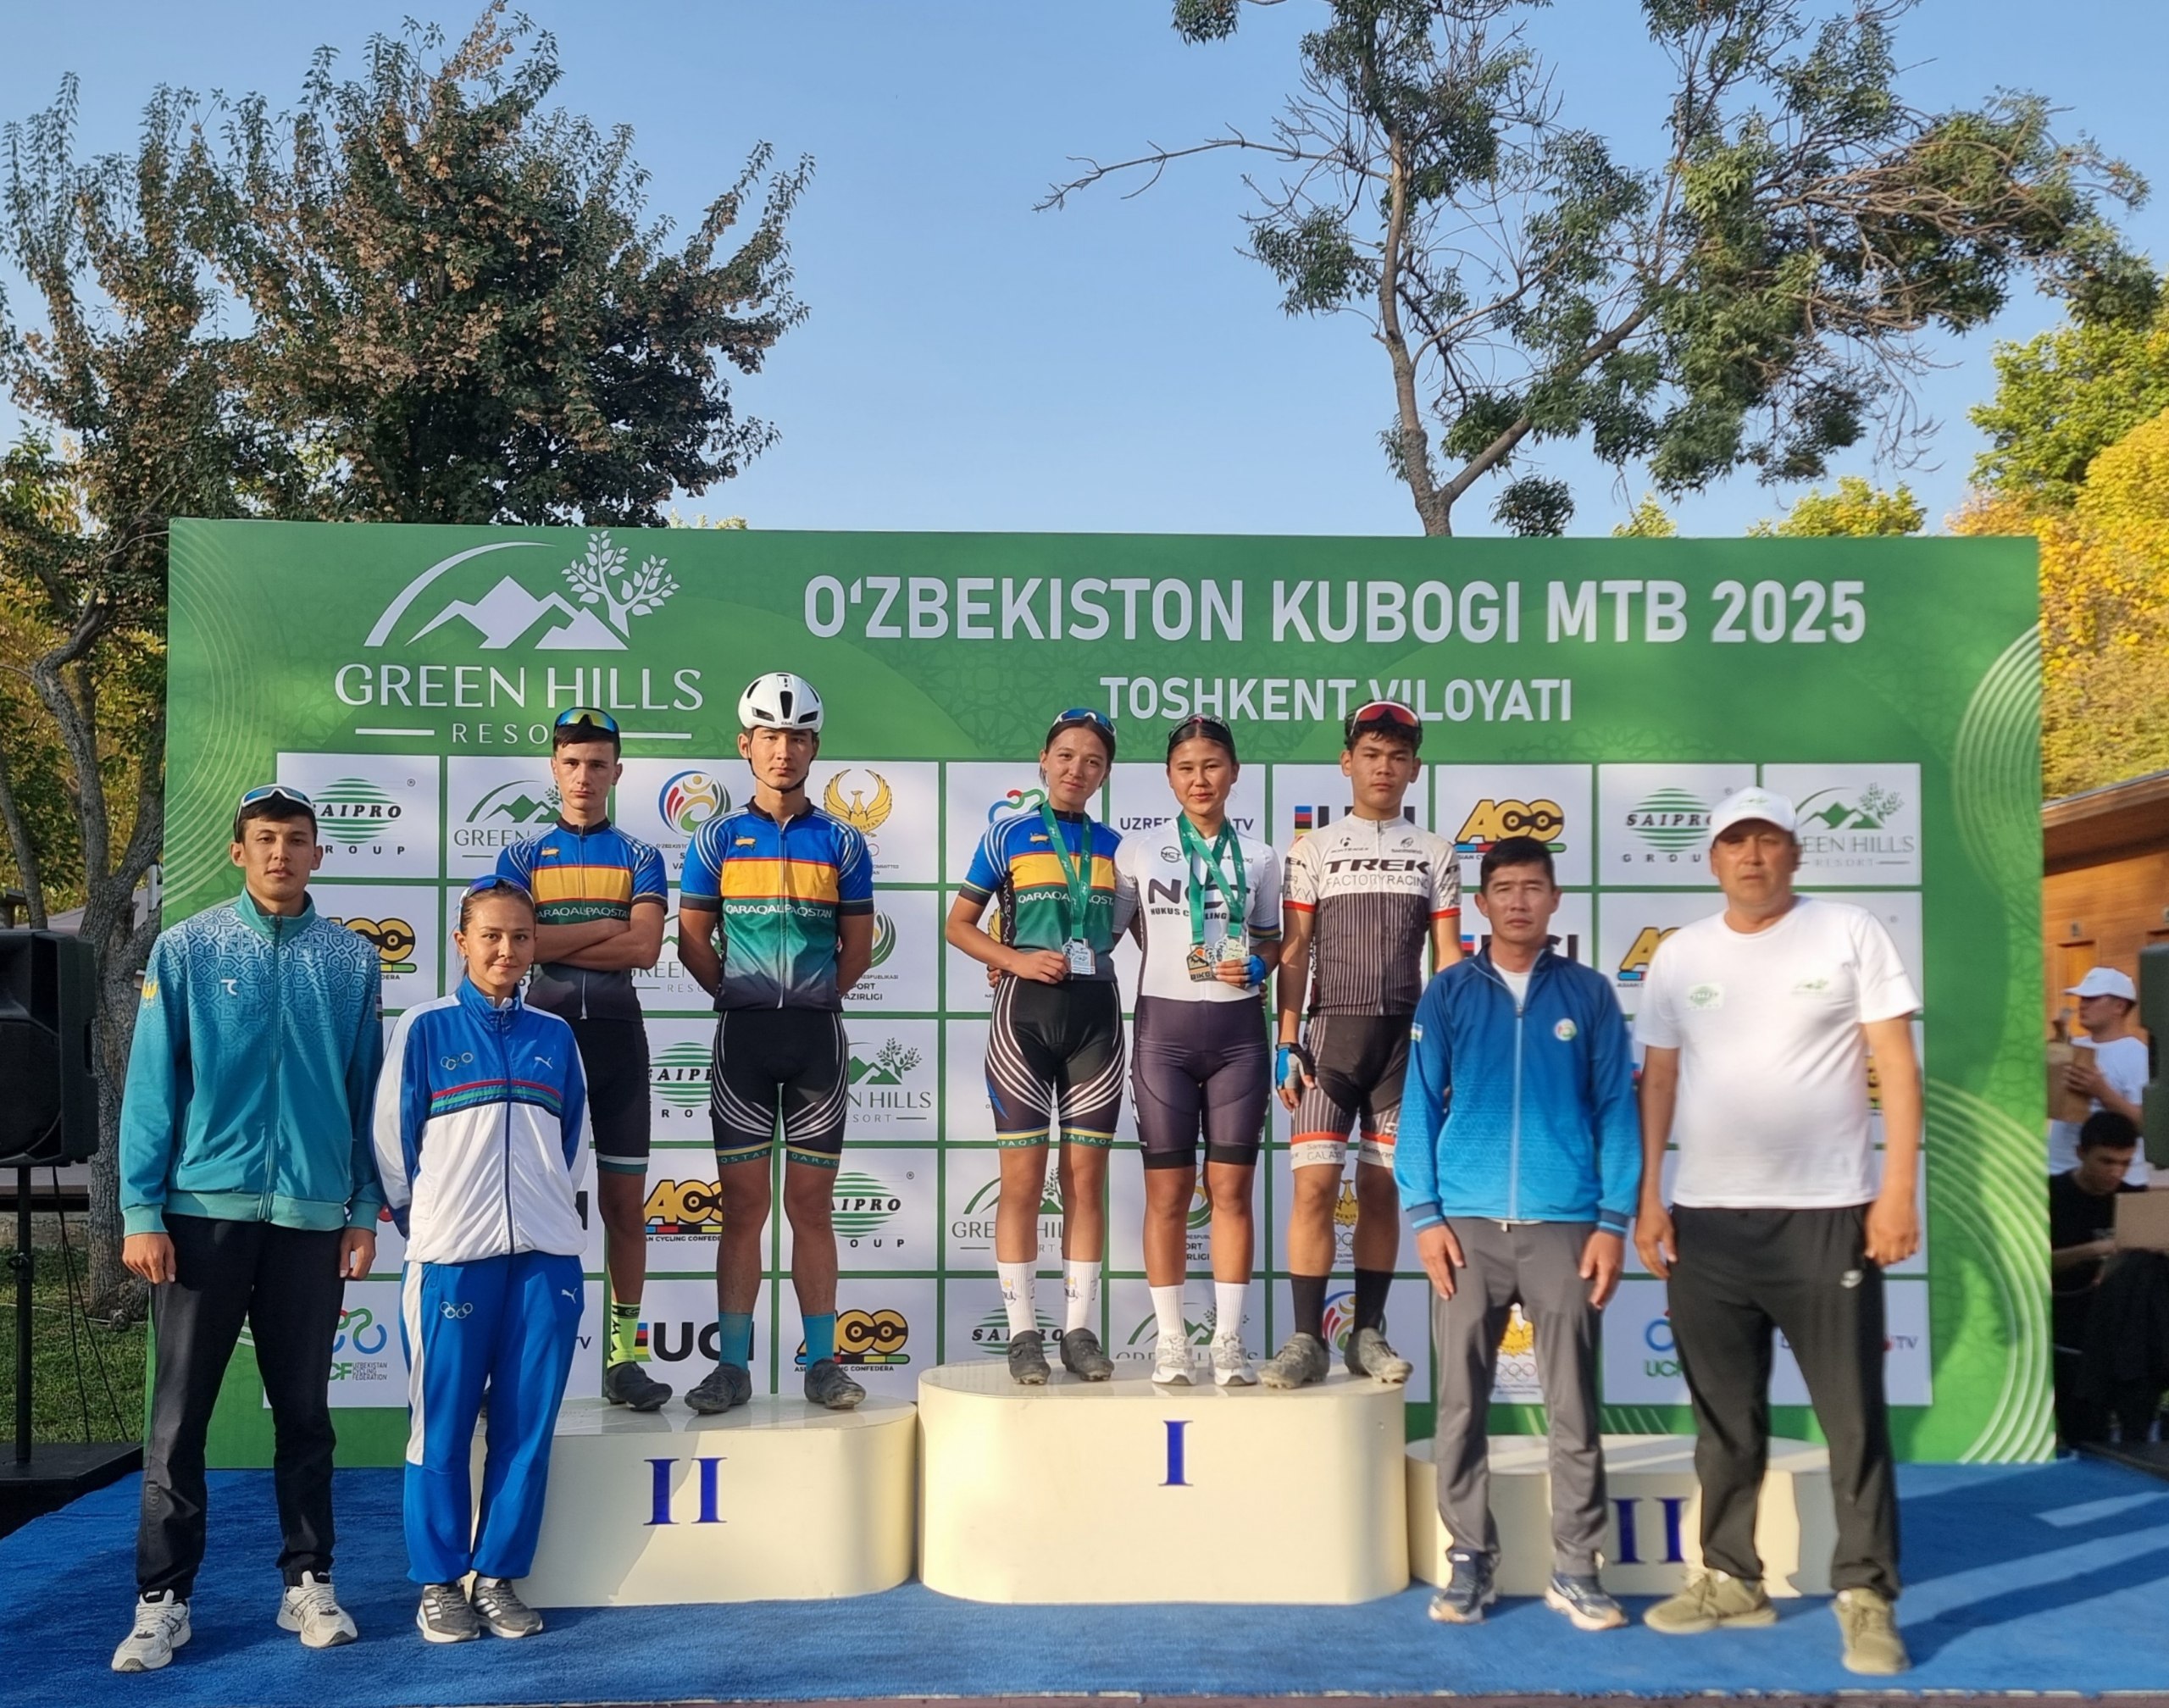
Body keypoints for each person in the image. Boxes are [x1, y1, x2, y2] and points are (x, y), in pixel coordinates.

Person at [1634, 785, 1921, 1678]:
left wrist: (1896, 1193)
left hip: (1829, 1216)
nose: (1751, 857)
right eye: (1735, 843)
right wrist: (1649, 1198)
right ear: (1712, 859)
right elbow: (1658, 1082)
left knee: (1851, 1420)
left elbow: (1895, 1065)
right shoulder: (1681, 954)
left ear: (1794, 853)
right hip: (1707, 1222)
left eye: (1767, 842)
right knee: (1724, 1421)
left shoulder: (1848, 932)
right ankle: (1730, 1577)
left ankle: (1866, 1595)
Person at [112, 785, 383, 1672]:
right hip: (200, 1219)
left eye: (295, 840)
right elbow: (151, 1085)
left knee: (305, 1415)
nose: (279, 853)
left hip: (311, 1221)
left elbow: (364, 1092)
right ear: (238, 851)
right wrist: (142, 1210)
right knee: (178, 1420)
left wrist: (361, 1208)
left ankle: (308, 1582)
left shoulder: (350, 960)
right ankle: (162, 1600)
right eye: (264, 839)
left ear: (318, 855)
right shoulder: (187, 947)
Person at [1397, 835, 1639, 1631]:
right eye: (1504, 889)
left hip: (1565, 1225)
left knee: (1573, 1406)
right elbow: (1419, 1106)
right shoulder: (1449, 993)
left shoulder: (1589, 994)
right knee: (1460, 1406)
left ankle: (1577, 1567)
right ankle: (1470, 1559)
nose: (1519, 902)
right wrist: (1425, 1216)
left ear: (1555, 898)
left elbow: (1617, 1107)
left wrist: (1613, 1220)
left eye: (1533, 887)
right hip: (1466, 1228)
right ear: (1482, 903)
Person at [374, 877, 589, 1643]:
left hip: (545, 1261)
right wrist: (430, 1226)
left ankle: (496, 1576)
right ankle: (438, 1582)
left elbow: (573, 1146)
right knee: (440, 1428)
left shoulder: (555, 1036)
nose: (506, 950)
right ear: (461, 941)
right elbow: (392, 1145)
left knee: (526, 1429)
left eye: (520, 937)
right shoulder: (425, 1027)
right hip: (450, 1260)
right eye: (491, 936)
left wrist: (548, 1218)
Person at [677, 672, 875, 1412]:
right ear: (746, 745)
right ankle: (732, 1366)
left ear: (814, 748)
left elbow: (858, 949)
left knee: (812, 1209)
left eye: (796, 738)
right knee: (743, 1209)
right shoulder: (716, 837)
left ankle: (822, 1364)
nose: (782, 751)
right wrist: (740, 993)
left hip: (817, 1041)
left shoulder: (843, 841)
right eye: (769, 737)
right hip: (745, 1041)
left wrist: (813, 997)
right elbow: (692, 939)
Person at [1266, 698, 1461, 1390]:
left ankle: (1367, 1333)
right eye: (1371, 755)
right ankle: (1304, 1339)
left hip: (1402, 1047)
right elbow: (1294, 953)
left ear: (1415, 769)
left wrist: (1450, 1048)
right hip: (1328, 1041)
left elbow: (1448, 957)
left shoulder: (1435, 852)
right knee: (1314, 1188)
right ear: (1346, 762)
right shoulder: (1312, 849)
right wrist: (1286, 1041)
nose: (1384, 768)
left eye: (1398, 757)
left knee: (1381, 1190)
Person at [495, 706, 669, 1411]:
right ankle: (514, 1359)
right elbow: (517, 946)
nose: (584, 777)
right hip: (543, 1043)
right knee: (530, 1202)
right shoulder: (522, 858)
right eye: (571, 763)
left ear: (617, 773)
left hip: (618, 1040)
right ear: (554, 769)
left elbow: (645, 948)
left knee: (625, 1206)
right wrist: (605, 923)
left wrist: (554, 935)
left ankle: (624, 1360)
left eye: (597, 764)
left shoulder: (642, 856)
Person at [945, 708, 1124, 1384]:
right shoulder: (1008, 835)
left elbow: (1137, 931)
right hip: (1023, 1017)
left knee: (1085, 1182)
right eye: (1066, 756)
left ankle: (1079, 1330)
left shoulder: (1117, 848)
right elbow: (959, 925)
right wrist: (1013, 960)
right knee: (1022, 1182)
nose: (1078, 769)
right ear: (1043, 762)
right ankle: (1023, 1333)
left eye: (1093, 761)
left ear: (1105, 774)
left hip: (1097, 1022)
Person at [1112, 716, 1281, 1386]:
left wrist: (1261, 966)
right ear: (1168, 777)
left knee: (1231, 1191)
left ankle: (1230, 1341)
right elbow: (1108, 931)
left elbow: (1271, 939)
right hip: (1164, 1037)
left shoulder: (1262, 857)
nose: (1200, 779)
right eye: (1186, 768)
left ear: (1234, 773)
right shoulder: (1139, 851)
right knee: (1169, 1193)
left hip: (1240, 1038)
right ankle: (1172, 1341)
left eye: (1212, 766)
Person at [2050, 1110, 2144, 1446]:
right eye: (2106, 1161)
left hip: (2124, 1335)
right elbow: (2031, 1266)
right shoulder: (2050, 1195)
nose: (2116, 1172)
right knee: (2084, 1433)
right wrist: (2094, 1250)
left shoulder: (2136, 1199)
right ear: (2080, 1153)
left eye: (2125, 1163)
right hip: (2068, 1332)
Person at [2049, 968, 2149, 1184]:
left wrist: (2101, 1091)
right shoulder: (2074, 1047)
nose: (2082, 1005)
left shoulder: (2137, 1055)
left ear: (2119, 1006)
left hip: (2116, 1180)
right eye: (2082, 998)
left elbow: (2148, 1124)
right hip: (2060, 1171)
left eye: (2092, 998)